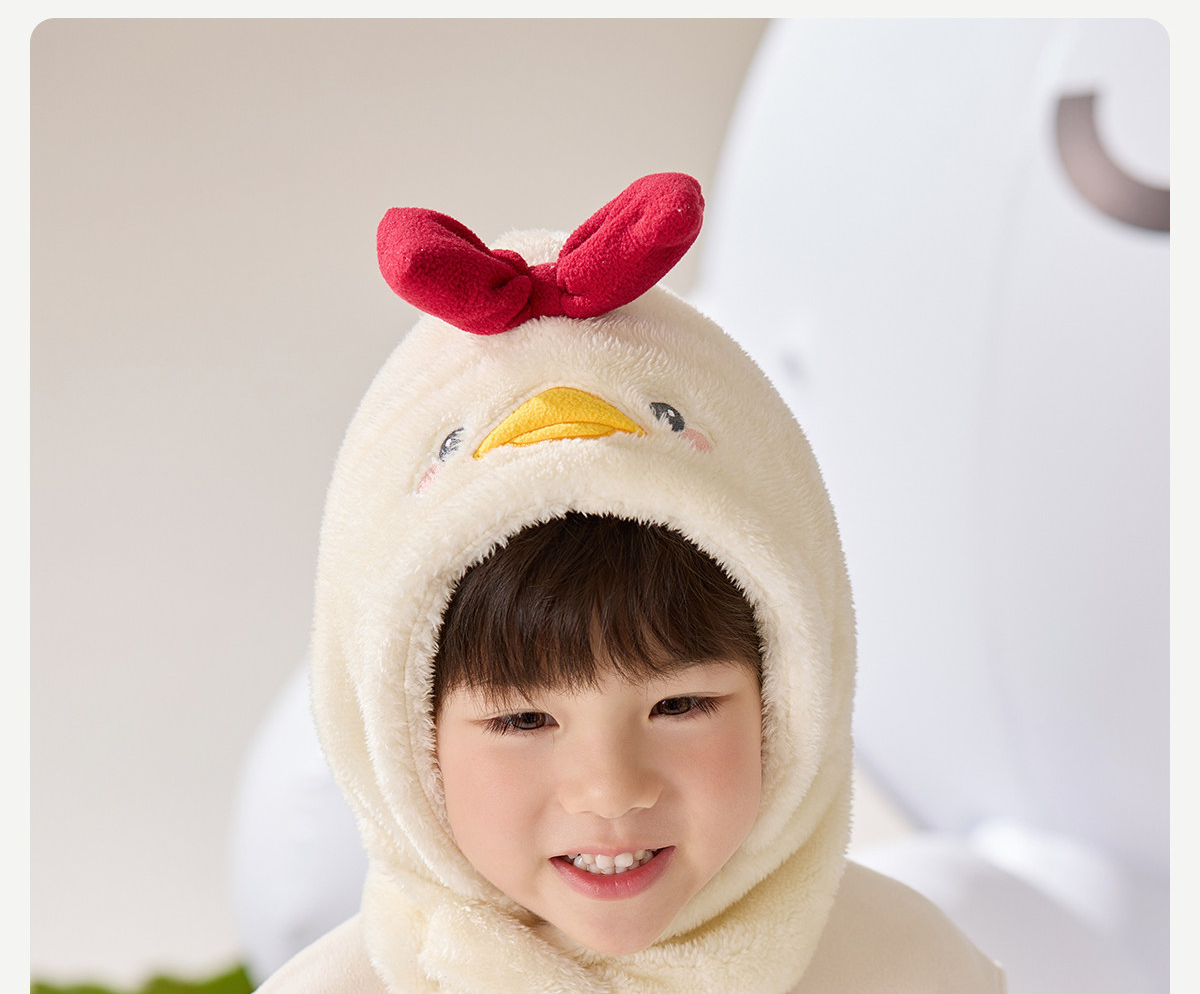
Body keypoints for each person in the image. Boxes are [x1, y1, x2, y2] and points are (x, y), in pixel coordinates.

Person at [256, 173, 1005, 992]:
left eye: (679, 705)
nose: (611, 791)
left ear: (792, 693)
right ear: (401, 735)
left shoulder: (909, 969)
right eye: (523, 718)